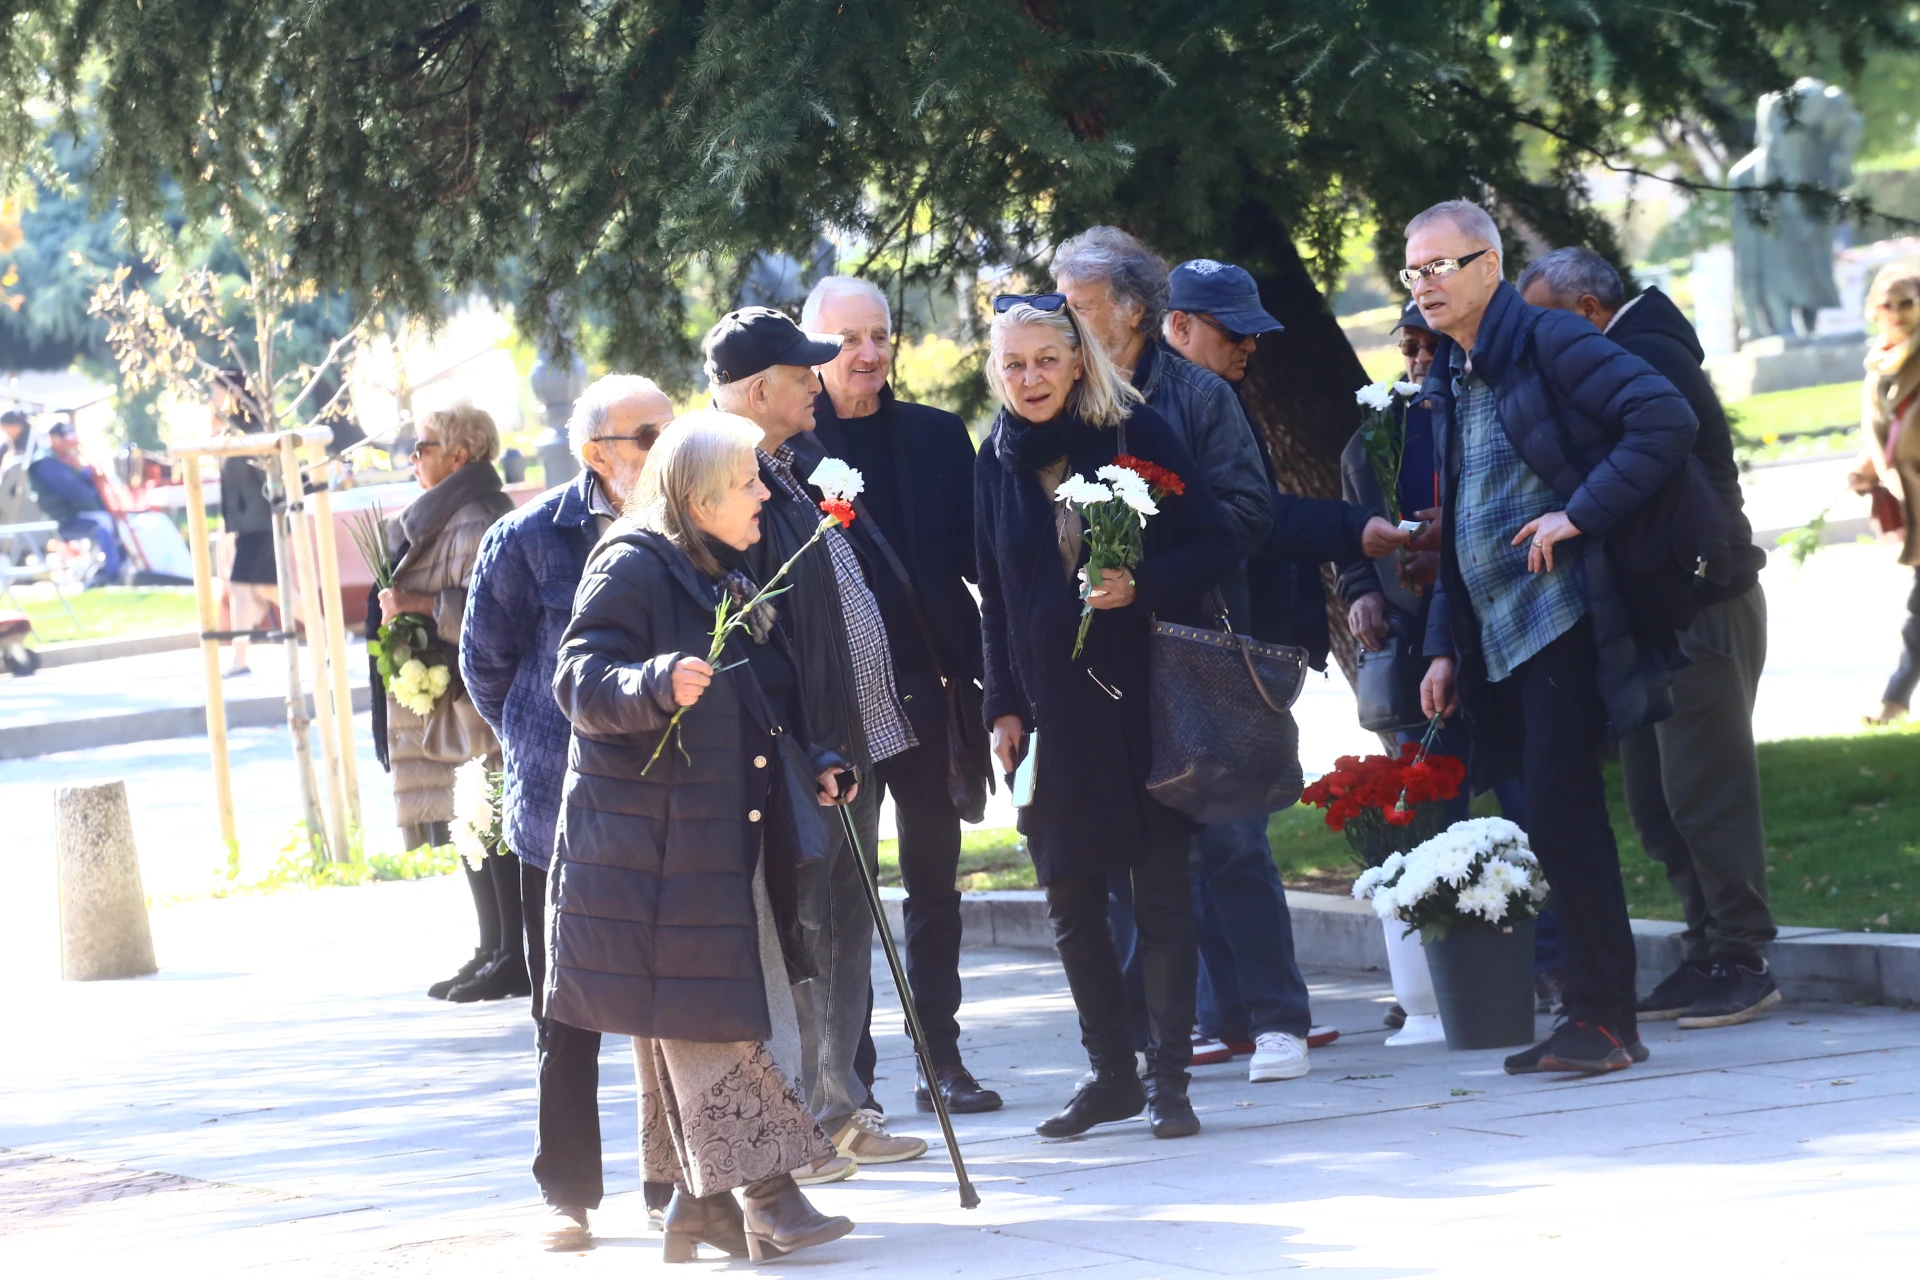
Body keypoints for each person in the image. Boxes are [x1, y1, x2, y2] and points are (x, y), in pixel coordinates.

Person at [546, 410, 856, 1264]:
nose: (764, 494)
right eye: (749, 481)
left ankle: (700, 1207)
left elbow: (761, 689)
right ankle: (769, 1196)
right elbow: (576, 675)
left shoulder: (716, 564)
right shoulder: (634, 561)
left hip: (704, 832)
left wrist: (815, 755)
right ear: (699, 493)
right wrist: (651, 684)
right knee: (703, 1014)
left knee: (690, 1011)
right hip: (648, 846)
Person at [1408, 199, 1697, 1075]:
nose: (1424, 285)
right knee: (1549, 820)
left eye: (1440, 266)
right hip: (1494, 629)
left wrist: (1579, 514)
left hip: (1562, 617)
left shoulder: (1548, 340)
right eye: (1413, 271)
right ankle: (1592, 1015)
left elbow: (1665, 420)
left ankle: (1606, 1021)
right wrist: (1443, 643)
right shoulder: (1453, 370)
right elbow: (1460, 518)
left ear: (1488, 266)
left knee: (1568, 819)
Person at [976, 293, 1236, 1139]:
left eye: (1045, 360)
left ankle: (1169, 1083)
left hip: (1144, 704)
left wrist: (1139, 585)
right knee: (1072, 905)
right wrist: (1001, 705)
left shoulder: (1135, 436)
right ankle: (1110, 1076)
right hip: (1052, 721)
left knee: (1159, 897)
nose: (1030, 378)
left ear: (1078, 359)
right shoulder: (996, 458)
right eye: (1012, 363)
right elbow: (996, 598)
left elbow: (1216, 542)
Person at [1519, 246, 1778, 1029]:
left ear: (1591, 311)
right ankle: (1706, 951)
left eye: (1547, 324)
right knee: (1656, 800)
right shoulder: (1629, 351)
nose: (1540, 344)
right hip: (1658, 605)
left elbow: (1648, 455)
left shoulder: (1643, 356)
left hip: (1696, 599)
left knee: (1705, 791)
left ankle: (1743, 956)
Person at [704, 306, 927, 1175]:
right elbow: (754, 636)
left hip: (846, 742)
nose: (816, 385)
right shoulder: (730, 482)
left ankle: (841, 1109)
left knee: (843, 927)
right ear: (761, 390)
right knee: (798, 932)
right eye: (802, 375)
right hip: (801, 754)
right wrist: (807, 742)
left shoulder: (790, 466)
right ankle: (797, 1123)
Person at [461, 375, 674, 1249]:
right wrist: (543, 740)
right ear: (599, 454)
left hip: (672, 799)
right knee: (566, 1007)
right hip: (560, 807)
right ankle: (569, 1195)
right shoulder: (527, 539)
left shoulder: (687, 525)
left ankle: (680, 1180)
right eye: (649, 434)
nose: (667, 446)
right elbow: (486, 667)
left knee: (677, 996)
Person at [803, 276, 1002, 1115]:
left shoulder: (932, 436)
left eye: (879, 335)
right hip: (831, 711)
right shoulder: (782, 452)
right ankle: (856, 1072)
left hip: (926, 693)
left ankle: (942, 1060)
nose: (869, 353)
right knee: (846, 897)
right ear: (814, 350)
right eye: (848, 339)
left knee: (933, 884)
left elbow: (978, 558)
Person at [371, 406, 521, 1001]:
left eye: (422, 446)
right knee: (471, 825)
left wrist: (419, 605)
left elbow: (499, 609)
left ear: (461, 454)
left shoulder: (478, 515)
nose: (413, 457)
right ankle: (493, 949)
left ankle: (514, 954)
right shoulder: (446, 514)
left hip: (475, 703)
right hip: (449, 702)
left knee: (492, 825)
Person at [1851, 264, 1920, 727]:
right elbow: (1887, 433)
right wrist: (1864, 469)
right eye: (1886, 304)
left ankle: (1894, 698)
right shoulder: (1880, 362)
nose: (1895, 313)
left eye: (1906, 303)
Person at [212, 369, 278, 678]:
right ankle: (326, 634)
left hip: (262, 524)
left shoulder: (250, 431)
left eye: (216, 390)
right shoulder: (232, 431)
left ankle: (239, 660)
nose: (212, 397)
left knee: (247, 587)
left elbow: (268, 479)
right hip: (249, 525)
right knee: (267, 590)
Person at [28, 421, 124, 586]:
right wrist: (82, 475)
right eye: (65, 438)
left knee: (107, 519)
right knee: (101, 524)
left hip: (74, 513)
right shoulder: (46, 462)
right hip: (61, 519)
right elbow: (76, 492)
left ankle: (118, 566)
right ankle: (111, 573)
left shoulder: (63, 459)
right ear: (53, 439)